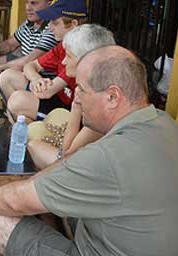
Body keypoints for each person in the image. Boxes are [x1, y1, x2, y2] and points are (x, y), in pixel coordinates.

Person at [0, 46, 178, 256]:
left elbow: (14, 202)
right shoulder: (162, 122)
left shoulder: (111, 155)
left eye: (81, 89)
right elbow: (67, 165)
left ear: (112, 97)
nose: (75, 98)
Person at [25, 24, 115, 170]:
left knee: (33, 146)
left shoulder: (100, 100)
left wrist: (77, 105)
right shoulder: (86, 88)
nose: (64, 61)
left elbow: (66, 155)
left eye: (69, 56)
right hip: (79, 155)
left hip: (94, 170)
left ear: (86, 61)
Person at [3, 0, 88, 121]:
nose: (49, 27)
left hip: (68, 112)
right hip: (57, 96)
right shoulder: (62, 45)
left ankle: (34, 131)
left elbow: (47, 92)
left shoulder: (80, 51)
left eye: (55, 22)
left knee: (17, 100)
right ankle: (21, 123)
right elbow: (30, 65)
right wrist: (36, 79)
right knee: (7, 76)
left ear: (74, 24)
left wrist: (36, 85)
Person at [0, 0, 57, 75]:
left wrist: (2, 68)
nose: (28, 8)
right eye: (26, 2)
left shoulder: (52, 28)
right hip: (25, 71)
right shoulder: (30, 23)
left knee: (6, 74)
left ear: (49, 5)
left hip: (40, 79)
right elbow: (10, 44)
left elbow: (29, 60)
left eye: (34, 3)